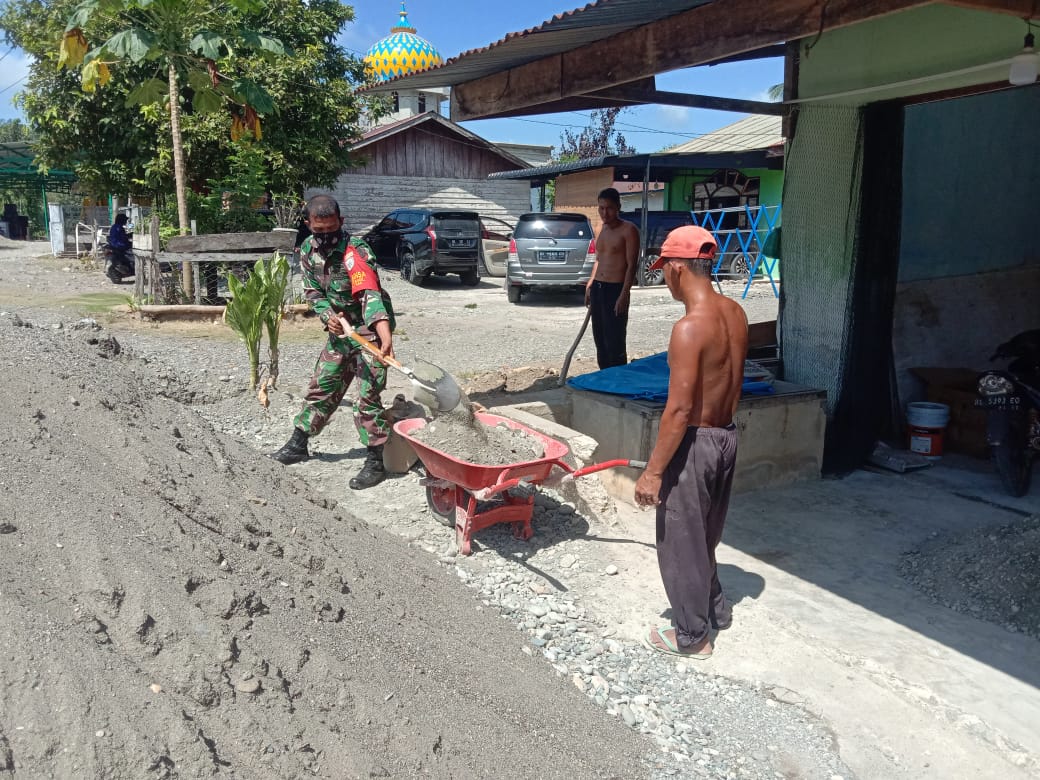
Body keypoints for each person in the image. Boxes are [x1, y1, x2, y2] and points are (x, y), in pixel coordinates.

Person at [633, 225, 748, 660]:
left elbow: (679, 411)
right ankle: (717, 608)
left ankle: (693, 636)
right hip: (726, 436)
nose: (664, 278)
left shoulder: (689, 328)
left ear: (678, 268)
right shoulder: (735, 313)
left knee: (680, 541)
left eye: (664, 269)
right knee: (706, 533)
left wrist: (653, 472)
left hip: (697, 442)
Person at [269, 194, 396, 490]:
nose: (326, 236)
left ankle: (376, 462)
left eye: (331, 229)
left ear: (341, 222)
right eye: (319, 230)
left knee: (368, 398)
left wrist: (385, 333)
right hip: (339, 335)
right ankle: (298, 444)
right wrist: (328, 316)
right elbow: (313, 292)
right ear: (308, 225)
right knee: (321, 386)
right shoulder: (307, 250)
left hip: (369, 335)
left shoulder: (356, 251)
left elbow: (369, 293)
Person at [585, 187, 639, 369]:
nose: (604, 213)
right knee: (599, 338)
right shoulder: (601, 229)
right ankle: (604, 378)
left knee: (614, 339)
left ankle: (618, 380)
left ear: (618, 207)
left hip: (615, 290)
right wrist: (591, 282)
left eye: (608, 208)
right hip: (598, 288)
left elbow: (632, 265)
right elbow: (598, 259)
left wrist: (624, 294)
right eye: (601, 208)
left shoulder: (628, 230)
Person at [106, 213, 134, 282]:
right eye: (125, 220)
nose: (126, 221)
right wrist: (130, 236)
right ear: (122, 220)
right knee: (134, 250)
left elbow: (121, 236)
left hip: (114, 245)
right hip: (120, 246)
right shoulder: (119, 227)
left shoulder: (114, 227)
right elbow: (124, 238)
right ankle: (133, 267)